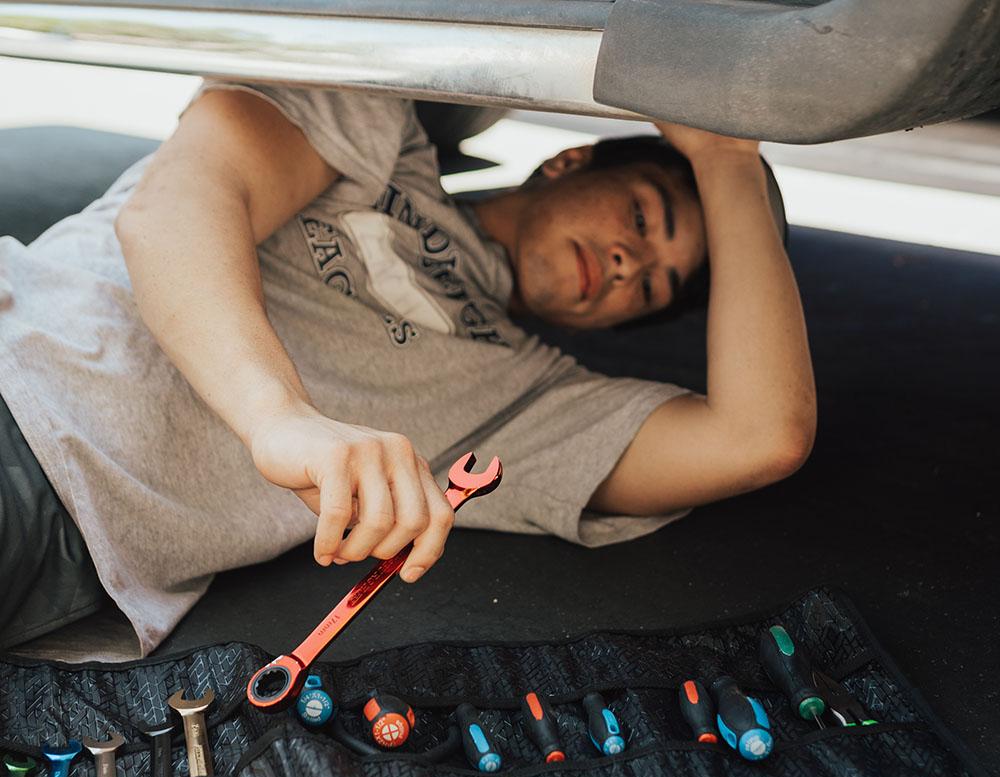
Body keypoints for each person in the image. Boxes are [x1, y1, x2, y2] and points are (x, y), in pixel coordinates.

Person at [0, 82, 815, 656]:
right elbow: (173, 207)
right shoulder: (381, 129)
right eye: (641, 216)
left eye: (654, 286)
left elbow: (760, 437)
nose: (627, 262)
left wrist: (729, 158)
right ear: (572, 160)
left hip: (68, 529)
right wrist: (279, 419)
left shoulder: (527, 400)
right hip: (21, 371)